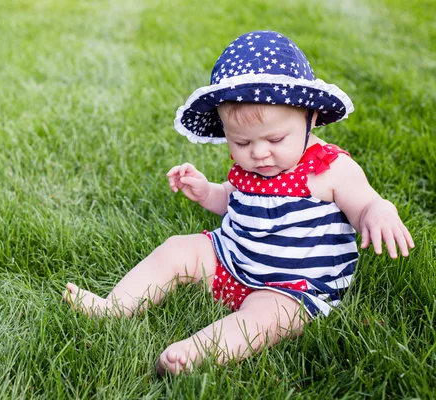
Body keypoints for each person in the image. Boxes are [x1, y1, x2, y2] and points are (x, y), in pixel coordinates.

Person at [62, 30, 414, 376]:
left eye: (275, 138)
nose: (259, 153)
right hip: (232, 258)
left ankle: (197, 352)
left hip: (291, 286)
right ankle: (115, 306)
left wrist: (379, 211)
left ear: (311, 119)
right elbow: (234, 202)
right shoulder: (249, 168)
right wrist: (205, 192)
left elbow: (366, 204)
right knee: (176, 249)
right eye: (242, 142)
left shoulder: (331, 169)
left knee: (265, 319)